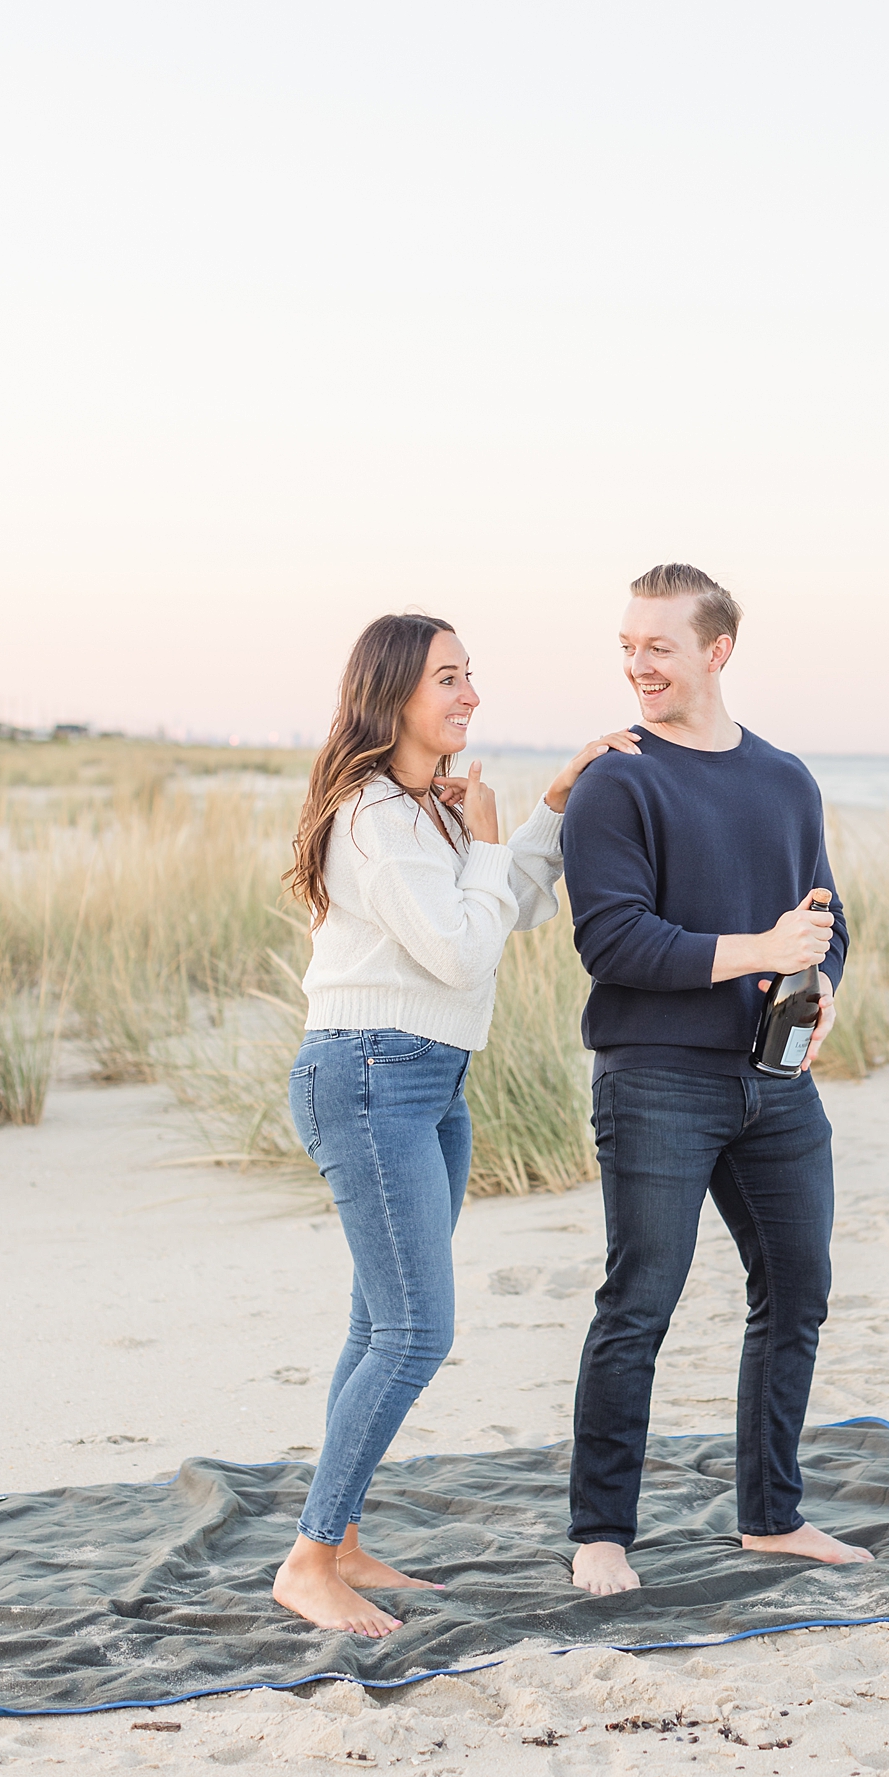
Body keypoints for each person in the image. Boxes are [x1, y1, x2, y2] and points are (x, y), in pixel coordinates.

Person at [271, 611, 636, 1634]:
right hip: (371, 1073)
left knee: (375, 1325)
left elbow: (504, 904)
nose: (470, 695)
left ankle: (337, 1539)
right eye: (448, 680)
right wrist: (479, 840)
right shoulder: (376, 818)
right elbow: (461, 953)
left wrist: (554, 803)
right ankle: (308, 1561)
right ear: (391, 697)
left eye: (471, 676)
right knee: (416, 1332)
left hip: (426, 1082)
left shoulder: (420, 807)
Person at [560, 563, 873, 1594]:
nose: (638, 666)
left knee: (798, 1293)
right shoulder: (618, 779)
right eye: (628, 647)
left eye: (659, 647)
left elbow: (822, 917)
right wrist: (762, 946)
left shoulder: (785, 778)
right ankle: (602, 1532)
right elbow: (613, 942)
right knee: (639, 1302)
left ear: (716, 651)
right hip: (655, 1081)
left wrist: (817, 978)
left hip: (775, 1081)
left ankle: (772, 1517)